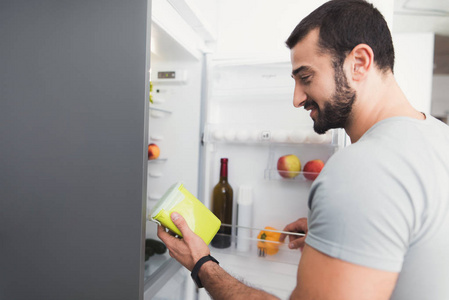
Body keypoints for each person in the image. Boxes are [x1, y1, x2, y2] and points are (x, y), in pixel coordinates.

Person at [158, 0, 449, 299]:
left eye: (306, 77)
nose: (297, 99)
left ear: (359, 62)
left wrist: (202, 265)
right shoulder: (439, 136)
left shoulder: (362, 169)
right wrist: (348, 232)